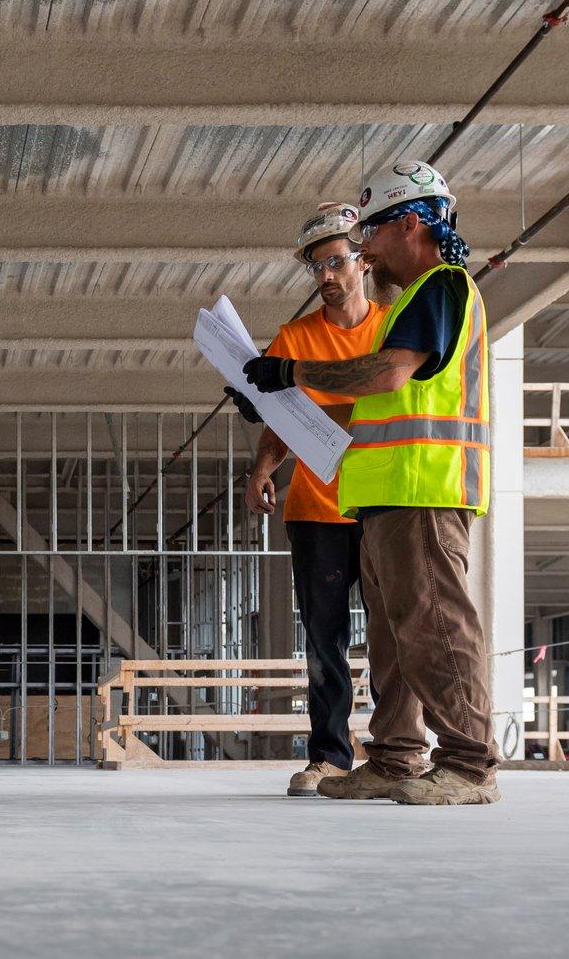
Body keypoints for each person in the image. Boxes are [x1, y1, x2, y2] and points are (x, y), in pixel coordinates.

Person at [243, 158, 501, 806]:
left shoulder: (442, 286)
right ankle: (393, 758)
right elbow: (365, 399)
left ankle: (470, 764)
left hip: (425, 490)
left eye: (372, 235)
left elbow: (385, 375)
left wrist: (295, 375)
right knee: (396, 639)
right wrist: (276, 402)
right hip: (386, 496)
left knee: (438, 628)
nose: (364, 252)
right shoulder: (413, 300)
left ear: (410, 224)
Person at [228, 203, 388, 797]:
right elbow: (282, 414)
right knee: (324, 643)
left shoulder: (390, 331)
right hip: (315, 510)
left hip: (376, 503)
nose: (325, 276)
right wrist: (262, 468)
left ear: (363, 262)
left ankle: (398, 753)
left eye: (336, 262)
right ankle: (329, 757)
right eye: (316, 266)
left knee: (391, 635)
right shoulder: (297, 336)